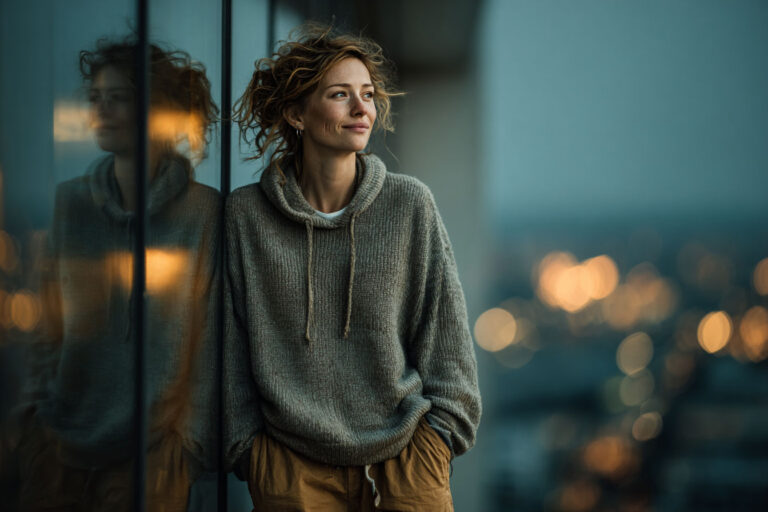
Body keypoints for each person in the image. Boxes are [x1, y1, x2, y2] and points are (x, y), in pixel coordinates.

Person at [225, 24, 481, 511]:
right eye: (340, 95)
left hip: (406, 464)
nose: (362, 109)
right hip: (291, 472)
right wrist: (250, 453)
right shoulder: (246, 216)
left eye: (367, 94)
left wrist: (439, 441)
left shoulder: (409, 205)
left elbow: (446, 335)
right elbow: (229, 343)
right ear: (296, 114)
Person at [11, 37, 220, 511]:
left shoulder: (202, 212)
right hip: (60, 448)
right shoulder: (71, 202)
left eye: (117, 97)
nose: (101, 110)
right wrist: (35, 423)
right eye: (95, 98)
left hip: (152, 456)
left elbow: (210, 342)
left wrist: (186, 448)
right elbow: (48, 326)